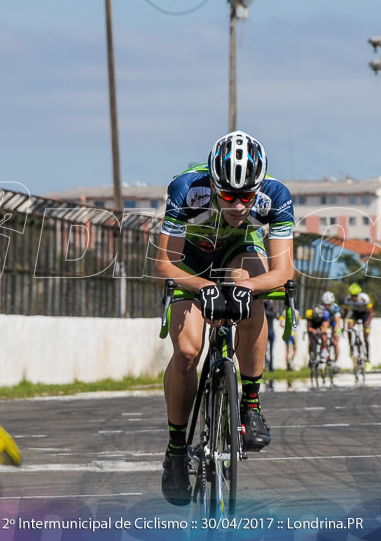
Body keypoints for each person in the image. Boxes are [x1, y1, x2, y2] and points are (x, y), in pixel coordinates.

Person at [155, 130, 295, 506]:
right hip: (191, 260)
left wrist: (248, 287)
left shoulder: (276, 196)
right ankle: (176, 450)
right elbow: (163, 263)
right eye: (228, 195)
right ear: (213, 184)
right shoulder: (186, 188)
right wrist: (203, 287)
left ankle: (251, 406)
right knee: (187, 352)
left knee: (252, 294)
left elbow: (283, 271)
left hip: (238, 253)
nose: (237, 205)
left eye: (246, 196)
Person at [343, 283, 375, 370]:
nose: (354, 297)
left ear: (358, 294)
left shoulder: (364, 298)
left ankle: (368, 359)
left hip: (365, 315)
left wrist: (367, 323)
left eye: (355, 295)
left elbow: (372, 313)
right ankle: (351, 346)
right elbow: (345, 314)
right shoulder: (347, 299)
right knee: (349, 326)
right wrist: (343, 325)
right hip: (355, 314)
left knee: (366, 337)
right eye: (352, 295)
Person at [305, 292, 339, 366]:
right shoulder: (312, 312)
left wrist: (335, 331)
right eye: (325, 304)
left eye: (329, 304)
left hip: (333, 323)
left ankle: (335, 362)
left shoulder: (334, 308)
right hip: (318, 324)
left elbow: (336, 322)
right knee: (311, 341)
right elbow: (309, 328)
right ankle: (311, 356)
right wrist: (314, 331)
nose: (327, 306)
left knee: (334, 341)